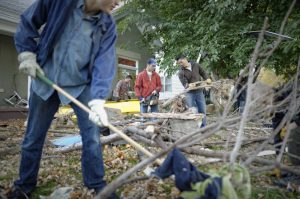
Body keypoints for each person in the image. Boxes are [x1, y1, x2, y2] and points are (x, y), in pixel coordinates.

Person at [8, 0, 120, 198]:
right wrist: (26, 53)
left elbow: (105, 62)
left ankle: (96, 184)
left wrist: (98, 99)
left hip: (80, 85)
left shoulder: (107, 25)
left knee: (92, 137)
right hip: (45, 77)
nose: (118, 2)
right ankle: (24, 185)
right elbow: (28, 21)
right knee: (33, 136)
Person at [176, 55, 211, 127]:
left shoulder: (196, 65)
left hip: (199, 91)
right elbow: (185, 84)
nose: (180, 64)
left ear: (185, 59)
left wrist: (207, 78)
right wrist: (189, 85)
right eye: (179, 63)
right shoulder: (181, 73)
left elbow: (203, 73)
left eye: (181, 62)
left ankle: (203, 127)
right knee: (191, 111)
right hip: (190, 93)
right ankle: (194, 127)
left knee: (202, 110)